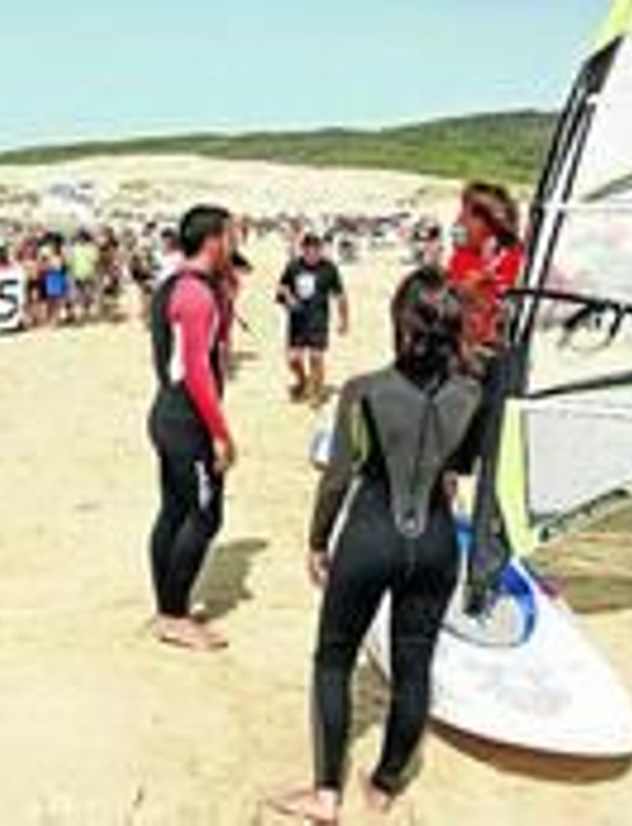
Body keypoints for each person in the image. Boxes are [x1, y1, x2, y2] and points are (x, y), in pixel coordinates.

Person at [269, 266, 484, 823]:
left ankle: (325, 795)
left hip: (370, 536)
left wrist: (317, 541)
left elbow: (338, 477)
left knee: (333, 659)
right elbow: (459, 469)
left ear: (400, 323)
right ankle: (385, 786)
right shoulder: (473, 394)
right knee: (415, 668)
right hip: (436, 543)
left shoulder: (363, 391)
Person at [145, 204, 238, 652]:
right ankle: (174, 615)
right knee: (204, 516)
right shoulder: (196, 295)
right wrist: (220, 432)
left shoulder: (172, 287)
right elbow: (198, 372)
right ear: (214, 239)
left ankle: (166, 608)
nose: (235, 245)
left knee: (174, 512)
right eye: (232, 237)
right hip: (187, 421)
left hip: (168, 412)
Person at [448, 182, 525, 354]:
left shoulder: (520, 260)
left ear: (491, 224)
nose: (458, 221)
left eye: (466, 215)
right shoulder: (462, 257)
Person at [276, 233, 349, 404]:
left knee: (316, 357)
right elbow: (281, 287)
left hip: (318, 319)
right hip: (297, 321)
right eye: (308, 249)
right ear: (303, 250)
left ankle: (317, 390)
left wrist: (344, 320)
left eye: (316, 249)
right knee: (293, 360)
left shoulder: (329, 268)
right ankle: (302, 381)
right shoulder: (293, 266)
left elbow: (340, 295)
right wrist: (289, 297)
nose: (312, 253)